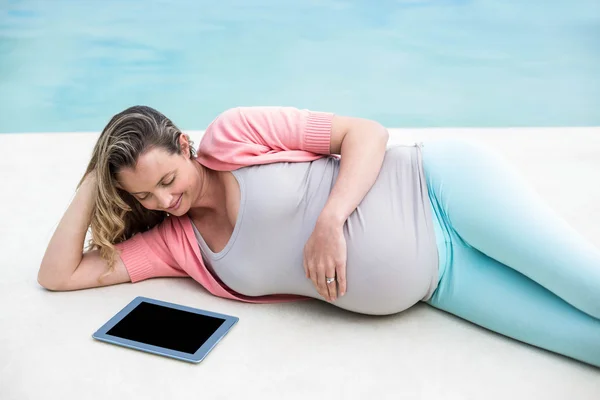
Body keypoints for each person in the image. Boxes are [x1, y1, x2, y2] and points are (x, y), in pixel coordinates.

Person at [38, 106, 600, 367]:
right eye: (145, 196)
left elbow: (366, 132)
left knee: (590, 288)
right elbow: (59, 275)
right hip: (442, 280)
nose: (164, 201)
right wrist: (93, 178)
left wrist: (330, 220)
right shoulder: (178, 245)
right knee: (583, 344)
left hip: (442, 189)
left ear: (185, 146)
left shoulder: (235, 136)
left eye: (166, 179)